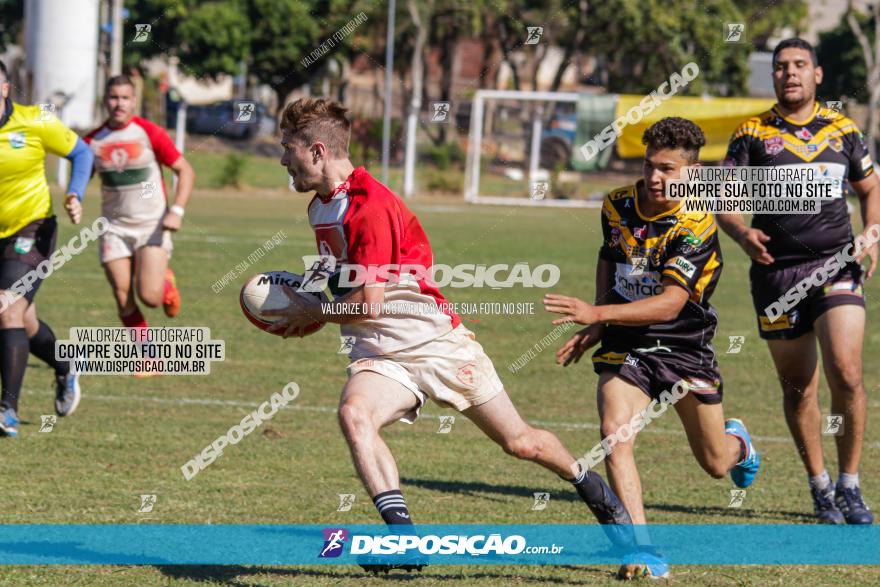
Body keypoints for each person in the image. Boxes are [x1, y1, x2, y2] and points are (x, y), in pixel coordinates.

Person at [264, 97, 633, 573]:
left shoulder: (368, 207)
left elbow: (368, 303)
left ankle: (590, 486)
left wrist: (307, 309)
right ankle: (405, 543)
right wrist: (303, 304)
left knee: (521, 443)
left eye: (287, 148)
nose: (281, 159)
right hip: (380, 350)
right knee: (355, 414)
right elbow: (340, 276)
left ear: (316, 150)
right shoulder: (321, 206)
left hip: (435, 344)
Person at [547, 117, 760, 579]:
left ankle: (739, 442)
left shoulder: (697, 224)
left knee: (716, 465)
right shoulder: (616, 204)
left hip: (684, 346)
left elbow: (668, 304)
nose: (655, 177)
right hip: (627, 343)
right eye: (649, 165)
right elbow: (610, 256)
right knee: (615, 431)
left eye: (668, 169)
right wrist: (602, 322)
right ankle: (639, 548)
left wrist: (596, 316)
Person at [717, 38, 879, 525]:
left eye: (800, 65)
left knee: (847, 373)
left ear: (817, 75)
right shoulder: (751, 133)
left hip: (837, 264)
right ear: (774, 77)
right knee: (799, 390)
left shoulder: (843, 130)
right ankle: (820, 486)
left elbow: (870, 187)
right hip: (776, 276)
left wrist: (871, 237)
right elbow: (722, 198)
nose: (790, 73)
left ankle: (850, 485)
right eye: (781, 67)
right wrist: (743, 233)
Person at [0, 59, 94, 436]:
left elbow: (82, 153)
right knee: (23, 320)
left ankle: (7, 409)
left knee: (6, 308)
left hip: (33, 229)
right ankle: (66, 364)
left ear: (5, 88)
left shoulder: (35, 121)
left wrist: (76, 192)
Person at [84, 75, 194, 351]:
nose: (118, 103)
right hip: (114, 228)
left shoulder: (150, 132)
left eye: (124, 98)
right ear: (105, 100)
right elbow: (80, 179)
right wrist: (74, 198)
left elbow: (185, 171)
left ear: (133, 101)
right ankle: (147, 355)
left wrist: (177, 211)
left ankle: (166, 286)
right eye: (113, 97)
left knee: (150, 297)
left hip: (151, 225)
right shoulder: (92, 141)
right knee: (122, 296)